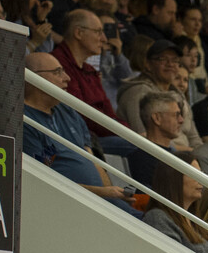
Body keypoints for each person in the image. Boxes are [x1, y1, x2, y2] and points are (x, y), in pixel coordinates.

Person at [22, 52, 137, 215]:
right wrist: (103, 193)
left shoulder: (68, 111)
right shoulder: (25, 121)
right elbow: (43, 182)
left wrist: (110, 195)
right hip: (71, 206)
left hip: (103, 202)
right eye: (57, 72)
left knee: (154, 219)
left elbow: (93, 162)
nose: (67, 78)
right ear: (34, 78)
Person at [53, 9, 127, 138]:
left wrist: (126, 130)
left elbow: (109, 112)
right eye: (98, 32)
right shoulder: (57, 65)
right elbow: (82, 115)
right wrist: (125, 133)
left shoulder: (90, 70)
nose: (104, 39)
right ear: (78, 33)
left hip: (105, 134)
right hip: (84, 139)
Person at [117, 39, 201, 149]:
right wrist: (188, 152)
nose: (170, 64)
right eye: (163, 59)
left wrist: (200, 154)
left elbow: (194, 137)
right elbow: (144, 139)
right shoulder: (138, 92)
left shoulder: (178, 94)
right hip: (160, 155)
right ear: (148, 64)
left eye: (175, 60)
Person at [143, 155, 208, 253]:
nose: (201, 179)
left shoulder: (195, 221)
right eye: (194, 173)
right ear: (174, 178)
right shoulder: (157, 217)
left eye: (201, 173)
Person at [127, 92, 185, 185]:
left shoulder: (175, 156)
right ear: (157, 118)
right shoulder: (141, 161)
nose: (181, 120)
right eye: (176, 115)